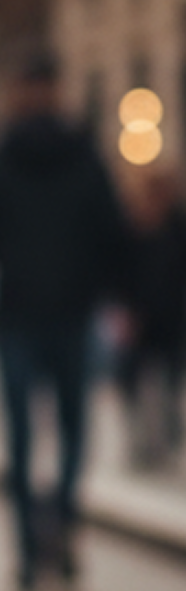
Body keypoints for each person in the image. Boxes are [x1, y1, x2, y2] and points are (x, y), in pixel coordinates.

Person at [0, 53, 127, 591]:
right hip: (73, 313)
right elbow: (112, 234)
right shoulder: (87, 155)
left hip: (16, 316)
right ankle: (62, 519)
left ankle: (30, 550)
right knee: (75, 429)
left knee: (21, 437)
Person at [115, 165, 186, 469]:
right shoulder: (132, 227)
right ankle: (142, 441)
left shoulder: (177, 227)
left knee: (169, 381)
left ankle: (167, 436)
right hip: (140, 318)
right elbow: (120, 274)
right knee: (131, 379)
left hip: (172, 318)